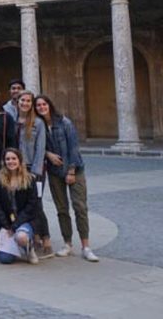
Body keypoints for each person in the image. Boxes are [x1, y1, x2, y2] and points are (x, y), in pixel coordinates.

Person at [35, 95, 99, 262]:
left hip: (74, 170)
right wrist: (48, 154)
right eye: (38, 105)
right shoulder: (39, 125)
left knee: (80, 207)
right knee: (62, 209)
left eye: (44, 104)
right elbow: (39, 146)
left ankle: (86, 246)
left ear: (49, 105)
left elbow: (73, 147)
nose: (41, 107)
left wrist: (71, 171)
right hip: (55, 172)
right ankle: (67, 243)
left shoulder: (64, 122)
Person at [17, 90, 52, 258]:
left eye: (28, 101)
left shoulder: (37, 123)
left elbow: (41, 147)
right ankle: (34, 236)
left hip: (33, 169)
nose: (24, 103)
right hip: (17, 168)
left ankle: (46, 239)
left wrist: (36, 172)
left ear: (31, 104)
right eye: (22, 100)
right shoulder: (14, 120)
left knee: (36, 203)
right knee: (23, 203)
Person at [0, 148, 40, 265]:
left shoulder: (29, 179)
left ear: (19, 160)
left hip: (25, 221)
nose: (11, 161)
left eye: (14, 158)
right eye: (7, 159)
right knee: (5, 259)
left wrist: (16, 225)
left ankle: (29, 248)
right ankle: (17, 247)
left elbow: (32, 205)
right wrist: (6, 225)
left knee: (21, 237)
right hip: (7, 223)